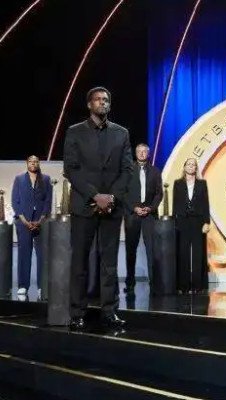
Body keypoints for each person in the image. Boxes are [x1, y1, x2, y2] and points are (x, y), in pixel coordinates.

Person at [64, 86, 133, 330]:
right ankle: (77, 312)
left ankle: (109, 312)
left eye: (106, 100)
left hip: (112, 207)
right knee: (80, 262)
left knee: (109, 263)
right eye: (98, 99)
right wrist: (95, 195)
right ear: (89, 104)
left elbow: (127, 170)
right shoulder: (75, 132)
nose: (103, 102)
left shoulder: (121, 133)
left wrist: (111, 197)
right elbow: (71, 169)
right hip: (84, 206)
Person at [123, 143, 163, 294]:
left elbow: (159, 193)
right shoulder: (128, 170)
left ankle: (154, 283)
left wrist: (150, 208)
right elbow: (123, 192)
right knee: (130, 249)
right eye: (139, 151)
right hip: (132, 214)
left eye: (144, 151)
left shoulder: (155, 171)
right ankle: (130, 282)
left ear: (148, 153)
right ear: (135, 153)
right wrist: (134, 208)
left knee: (151, 249)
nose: (141, 154)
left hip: (149, 215)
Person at [11, 155, 52, 297]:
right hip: (23, 221)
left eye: (36, 161)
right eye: (30, 161)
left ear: (39, 163)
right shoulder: (19, 179)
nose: (33, 163)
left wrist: (40, 220)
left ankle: (42, 286)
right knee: (24, 253)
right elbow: (15, 201)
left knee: (42, 255)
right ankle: (23, 285)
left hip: (40, 221)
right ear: (27, 163)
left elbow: (48, 201)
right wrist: (24, 220)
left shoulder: (45, 179)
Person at [172, 158, 210, 293]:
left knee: (198, 254)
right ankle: (184, 286)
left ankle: (198, 286)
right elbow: (175, 204)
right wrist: (174, 222)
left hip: (198, 221)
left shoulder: (202, 184)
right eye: (188, 164)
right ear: (184, 167)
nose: (191, 166)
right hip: (183, 221)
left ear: (196, 168)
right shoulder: (177, 184)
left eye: (193, 165)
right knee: (183, 253)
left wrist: (207, 222)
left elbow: (206, 204)